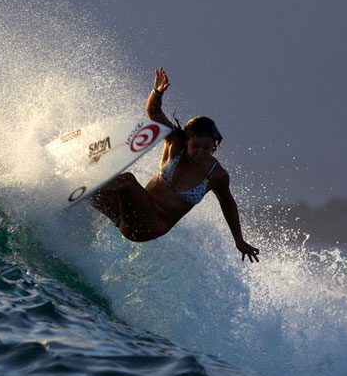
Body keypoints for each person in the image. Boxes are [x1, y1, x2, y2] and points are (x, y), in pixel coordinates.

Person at [90, 67, 260, 262]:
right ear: (186, 140)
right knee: (95, 189)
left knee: (127, 180)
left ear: (214, 145)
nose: (201, 152)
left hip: (149, 227)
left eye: (207, 148)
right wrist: (157, 92)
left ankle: (88, 189)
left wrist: (239, 240)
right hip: (127, 212)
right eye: (195, 146)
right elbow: (154, 112)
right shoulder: (174, 143)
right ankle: (69, 191)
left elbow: (227, 202)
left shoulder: (217, 175)